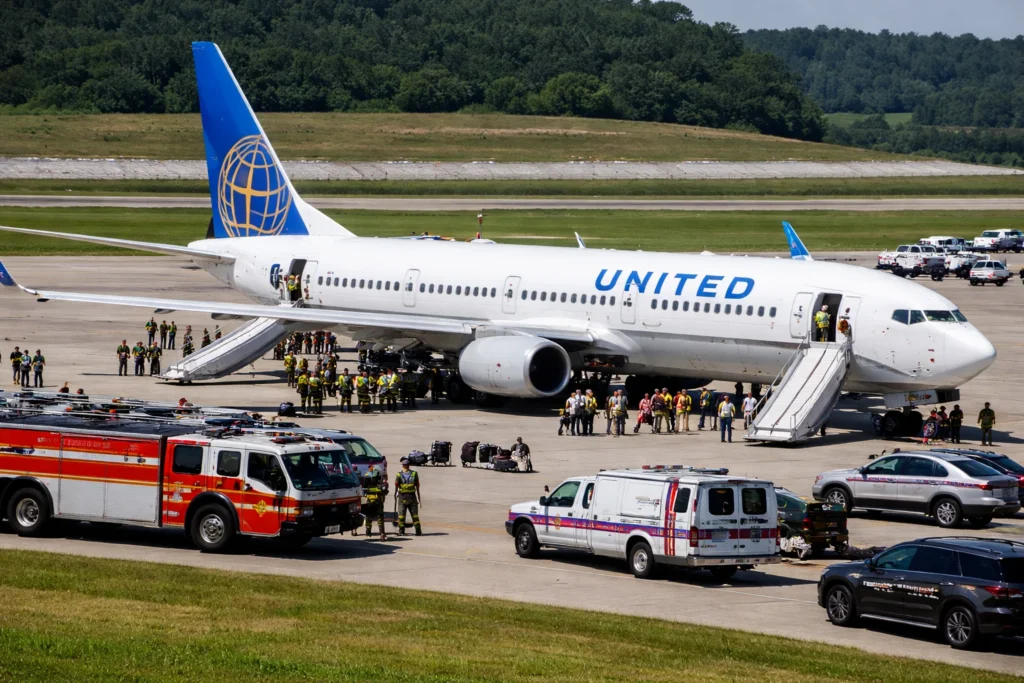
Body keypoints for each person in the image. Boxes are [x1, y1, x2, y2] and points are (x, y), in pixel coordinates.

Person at [395, 457, 422, 536]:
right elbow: (417, 486)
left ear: (403, 465)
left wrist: (395, 494)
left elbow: (396, 485)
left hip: (403, 496)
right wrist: (418, 497)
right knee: (414, 515)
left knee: (402, 515)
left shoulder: (399, 474)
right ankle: (418, 531)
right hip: (411, 496)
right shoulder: (414, 474)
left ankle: (401, 531)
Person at [361, 468, 387, 540]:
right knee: (380, 517)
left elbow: (364, 491)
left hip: (370, 500)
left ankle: (368, 531)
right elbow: (384, 491)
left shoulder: (367, 481)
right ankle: (382, 533)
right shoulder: (380, 482)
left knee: (369, 516)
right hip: (378, 500)